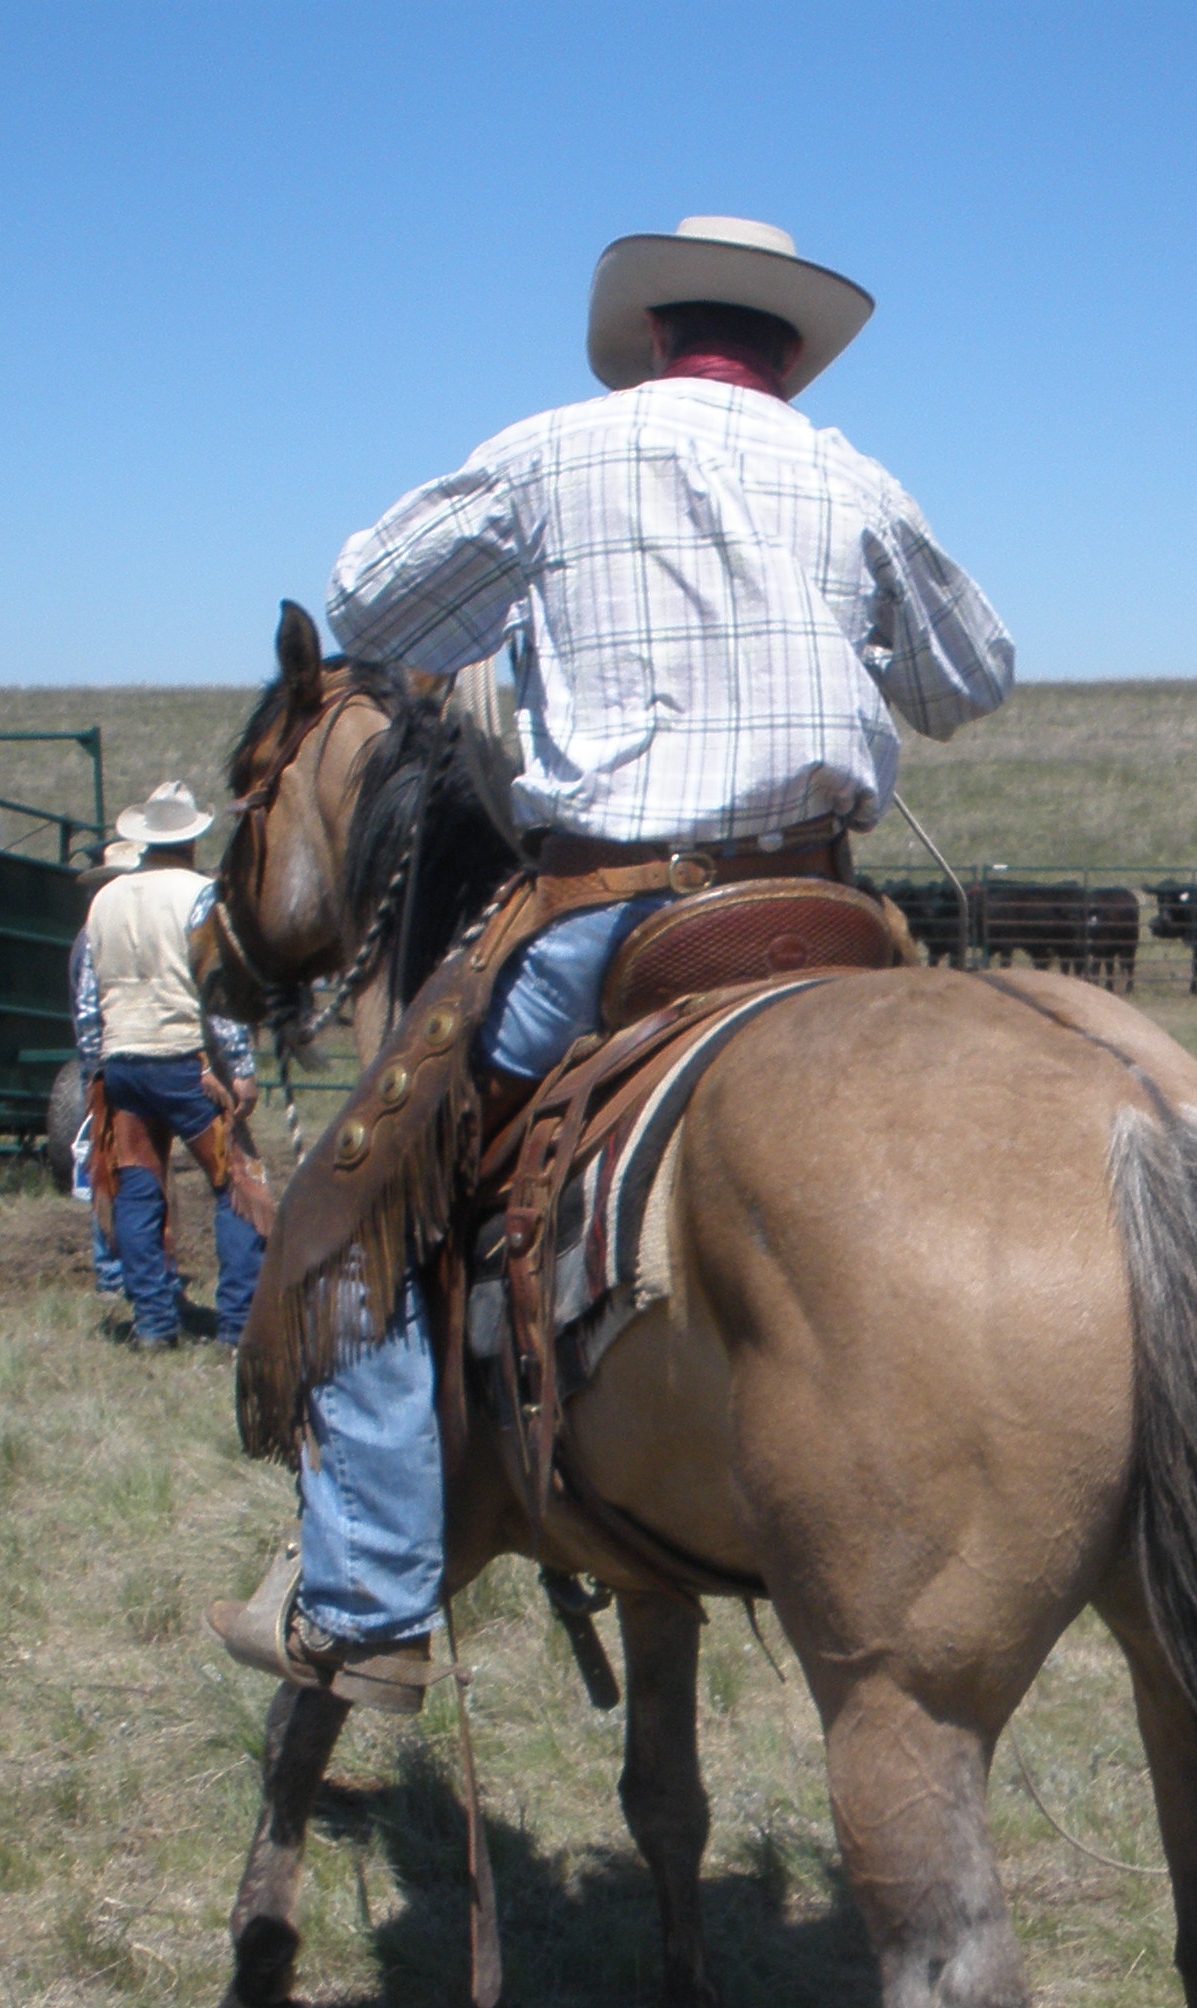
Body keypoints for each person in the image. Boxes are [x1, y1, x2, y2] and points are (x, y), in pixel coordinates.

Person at [212, 214, 1013, 1712]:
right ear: (789, 352)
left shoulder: (552, 452)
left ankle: (371, 1595)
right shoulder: (854, 479)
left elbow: (370, 605)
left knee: (355, 1206)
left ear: (652, 335)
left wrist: (531, 601)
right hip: (834, 918)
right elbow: (974, 680)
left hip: (617, 921)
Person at [81, 787, 268, 1348]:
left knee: (137, 1189)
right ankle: (238, 1323)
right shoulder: (200, 895)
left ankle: (153, 1324)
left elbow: (88, 998)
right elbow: (218, 988)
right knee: (239, 1182)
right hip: (189, 1063)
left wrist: (96, 1068)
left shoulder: (104, 900)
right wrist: (240, 1066)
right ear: (190, 839)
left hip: (122, 1062)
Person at [67, 839, 142, 1297]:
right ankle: (115, 1268)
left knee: (117, 1162)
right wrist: (98, 1069)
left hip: (110, 1057)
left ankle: (120, 1266)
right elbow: (89, 1011)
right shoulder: (98, 936)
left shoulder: (95, 933)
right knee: (113, 1163)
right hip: (111, 1059)